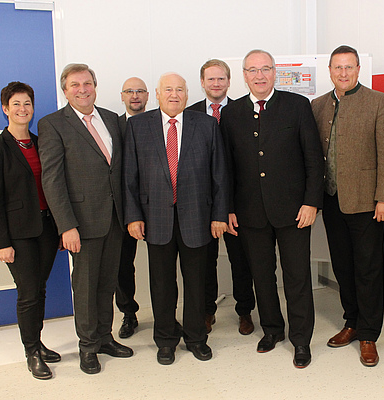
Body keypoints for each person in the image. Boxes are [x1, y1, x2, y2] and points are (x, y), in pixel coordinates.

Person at [220, 49, 324, 369]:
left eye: (265, 69)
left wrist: (311, 202)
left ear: (275, 72)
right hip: (250, 212)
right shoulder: (232, 112)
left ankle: (301, 340)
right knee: (262, 276)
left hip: (294, 211)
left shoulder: (296, 106)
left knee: (296, 277)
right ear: (244, 75)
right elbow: (227, 167)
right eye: (253, 70)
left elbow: (313, 158)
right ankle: (273, 330)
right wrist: (229, 208)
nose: (260, 76)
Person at [123, 72, 228, 365]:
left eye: (179, 89)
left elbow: (219, 175)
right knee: (162, 285)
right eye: (167, 89)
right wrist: (133, 216)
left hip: (197, 218)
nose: (173, 94)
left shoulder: (206, 125)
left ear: (186, 93)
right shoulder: (138, 126)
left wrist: (219, 215)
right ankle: (166, 340)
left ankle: (196, 338)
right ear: (157, 94)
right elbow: (128, 176)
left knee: (196, 283)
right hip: (155, 219)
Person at [38, 63, 132, 375]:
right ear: (65, 90)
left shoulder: (111, 119)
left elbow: (117, 169)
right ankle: (88, 346)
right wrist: (66, 225)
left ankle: (105, 337)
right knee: (87, 286)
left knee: (108, 283)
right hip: (82, 222)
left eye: (88, 83)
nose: (83, 89)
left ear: (95, 85)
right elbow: (51, 179)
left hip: (115, 218)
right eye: (75, 85)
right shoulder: (53, 124)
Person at [311, 45, 384, 367]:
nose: (343, 73)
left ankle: (368, 335)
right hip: (332, 200)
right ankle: (351, 321)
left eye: (349, 67)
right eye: (338, 68)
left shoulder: (378, 102)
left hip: (368, 203)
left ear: (358, 69)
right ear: (330, 71)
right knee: (343, 267)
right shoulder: (318, 105)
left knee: (368, 270)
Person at [0, 82, 61, 380]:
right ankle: (31, 352)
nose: (22, 109)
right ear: (5, 109)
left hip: (46, 228)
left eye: (27, 103)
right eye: (15, 104)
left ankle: (38, 343)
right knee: (28, 293)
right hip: (18, 234)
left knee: (38, 289)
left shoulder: (42, 143)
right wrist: (2, 243)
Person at [187, 59, 255, 336]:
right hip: (201, 203)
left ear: (229, 81)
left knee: (241, 261)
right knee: (205, 262)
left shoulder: (241, 111)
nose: (216, 84)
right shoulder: (188, 114)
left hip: (237, 203)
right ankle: (206, 311)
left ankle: (245, 312)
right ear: (202, 83)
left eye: (221, 79)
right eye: (210, 79)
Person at [116, 77, 149, 339]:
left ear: (148, 96)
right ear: (122, 96)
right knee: (123, 264)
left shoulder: (158, 123)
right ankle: (129, 312)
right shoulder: (112, 126)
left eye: (140, 91)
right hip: (125, 207)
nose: (135, 95)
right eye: (130, 91)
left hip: (158, 205)